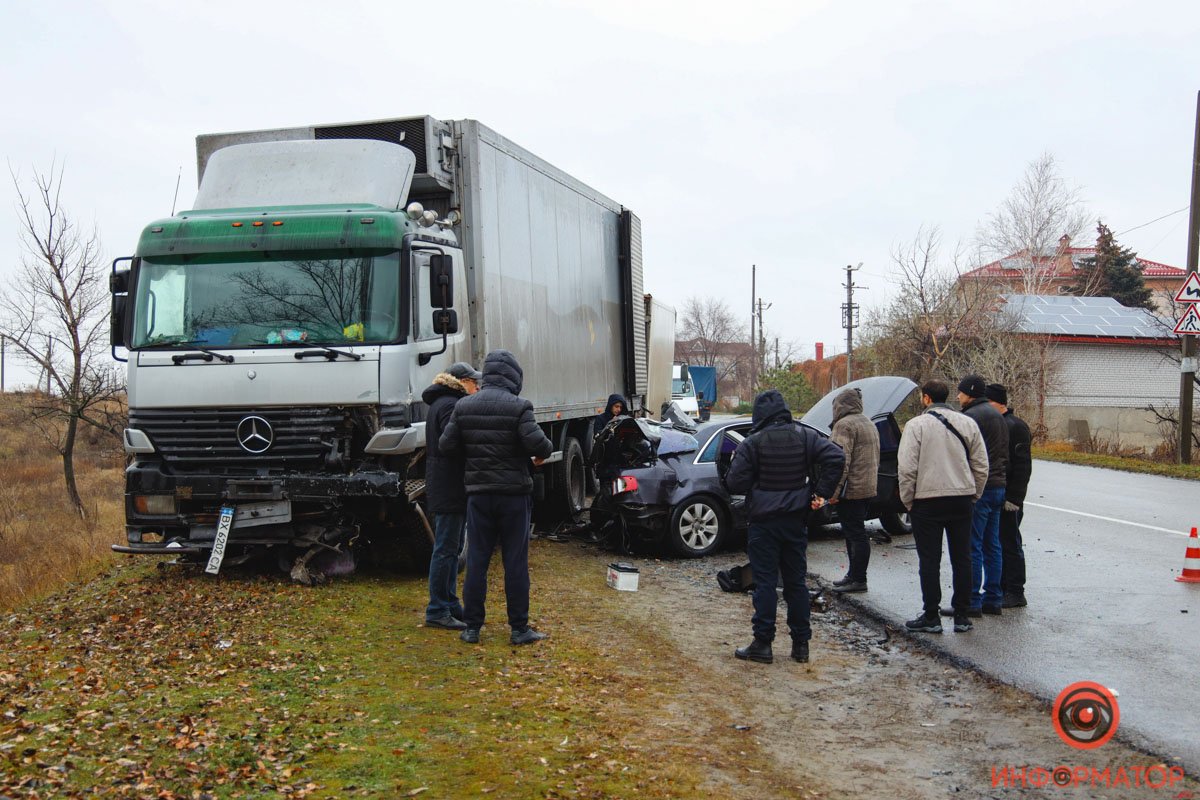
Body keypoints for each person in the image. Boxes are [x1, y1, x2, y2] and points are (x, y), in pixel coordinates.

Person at [439, 350, 554, 645]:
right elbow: (541, 446)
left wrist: (473, 454)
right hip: (514, 496)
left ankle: (472, 627)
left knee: (477, 559)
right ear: (514, 377)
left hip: (479, 495)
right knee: (514, 561)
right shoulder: (519, 407)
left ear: (487, 375)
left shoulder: (464, 406)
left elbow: (446, 445)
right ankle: (518, 628)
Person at [725, 389, 845, 664]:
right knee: (796, 583)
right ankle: (801, 646)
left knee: (765, 583)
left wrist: (756, 479)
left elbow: (734, 483)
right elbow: (836, 457)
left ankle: (763, 644)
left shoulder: (752, 443)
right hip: (796, 521)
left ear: (759, 414)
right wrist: (820, 493)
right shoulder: (805, 436)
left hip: (764, 523)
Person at [898, 380, 989, 634]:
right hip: (961, 498)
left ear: (926, 398)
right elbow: (981, 464)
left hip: (926, 500)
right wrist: (974, 493)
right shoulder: (967, 423)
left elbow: (907, 468)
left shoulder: (916, 425)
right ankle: (961, 614)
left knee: (929, 559)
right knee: (963, 557)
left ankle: (931, 615)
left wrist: (908, 501)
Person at [420, 361, 481, 630]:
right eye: (473, 382)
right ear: (461, 382)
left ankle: (450, 602)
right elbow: (451, 443)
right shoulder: (450, 405)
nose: (477, 387)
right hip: (450, 483)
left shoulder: (442, 402)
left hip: (448, 482)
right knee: (445, 549)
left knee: (453, 548)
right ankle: (437, 608)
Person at [955, 374, 1008, 617]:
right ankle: (994, 599)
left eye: (961, 392)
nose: (958, 396)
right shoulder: (998, 415)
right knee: (992, 545)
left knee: (972, 545)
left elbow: (964, 454)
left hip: (980, 485)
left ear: (970, 394)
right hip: (998, 484)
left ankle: (971, 601)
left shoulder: (970, 418)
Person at [828, 387, 881, 594]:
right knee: (855, 532)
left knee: (855, 534)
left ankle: (858, 579)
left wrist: (833, 493)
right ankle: (853, 575)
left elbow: (840, 461)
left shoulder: (844, 425)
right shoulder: (868, 422)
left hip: (850, 490)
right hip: (868, 486)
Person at [986, 383, 1032, 609]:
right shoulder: (999, 424)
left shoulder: (1016, 426)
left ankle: (1015, 591)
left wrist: (1014, 499)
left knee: (1010, 543)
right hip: (997, 494)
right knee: (997, 542)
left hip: (1010, 499)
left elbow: (1023, 467)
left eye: (987, 402)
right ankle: (1002, 587)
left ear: (997, 402)